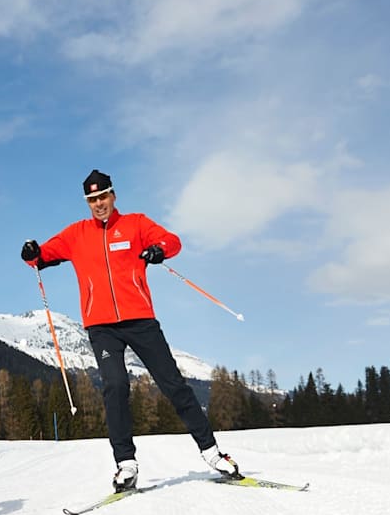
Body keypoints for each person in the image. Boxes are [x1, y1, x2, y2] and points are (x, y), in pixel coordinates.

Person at [21, 169, 240, 492]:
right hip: (102, 326)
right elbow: (42, 257)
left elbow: (172, 241)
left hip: (140, 319)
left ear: (113, 195)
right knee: (115, 386)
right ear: (87, 202)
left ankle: (212, 453)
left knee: (174, 384)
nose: (98, 204)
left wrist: (158, 250)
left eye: (103, 197)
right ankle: (126, 465)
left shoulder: (135, 224)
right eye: (92, 199)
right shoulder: (77, 234)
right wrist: (32, 253)